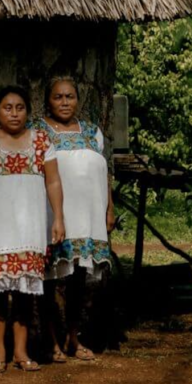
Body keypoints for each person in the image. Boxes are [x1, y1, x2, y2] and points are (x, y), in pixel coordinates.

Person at [0, 85, 65, 373]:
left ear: (28, 112)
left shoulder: (43, 142)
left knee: (23, 292)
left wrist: (58, 218)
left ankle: (21, 352)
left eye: (20, 107)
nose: (14, 113)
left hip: (30, 227)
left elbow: (54, 182)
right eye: (8, 107)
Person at [37, 77, 114, 362]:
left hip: (89, 217)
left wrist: (109, 209)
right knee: (49, 279)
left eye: (70, 97)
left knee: (79, 279)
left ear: (77, 100)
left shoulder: (92, 132)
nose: (65, 102)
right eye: (58, 97)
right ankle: (51, 340)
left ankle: (73, 337)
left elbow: (103, 173)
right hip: (55, 215)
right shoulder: (39, 131)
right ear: (49, 101)